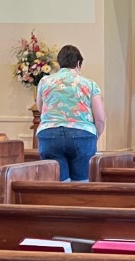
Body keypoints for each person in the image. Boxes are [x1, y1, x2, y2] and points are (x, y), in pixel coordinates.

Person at [36, 44, 105, 182]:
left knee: (58, 184)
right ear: (78, 63)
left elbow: (40, 108)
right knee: (81, 185)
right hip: (82, 134)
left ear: (59, 63)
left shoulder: (44, 82)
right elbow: (100, 118)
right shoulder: (90, 84)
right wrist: (94, 135)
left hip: (49, 135)